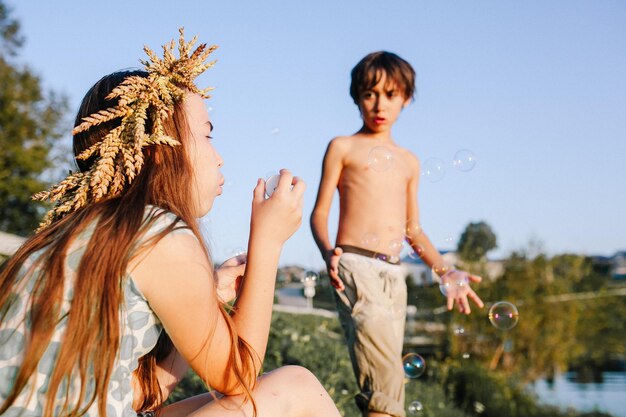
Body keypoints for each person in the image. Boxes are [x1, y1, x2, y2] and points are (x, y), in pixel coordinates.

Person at [0, 29, 342, 417]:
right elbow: (239, 375)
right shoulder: (156, 232)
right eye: (208, 134)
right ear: (162, 150)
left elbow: (139, 397)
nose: (219, 158)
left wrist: (209, 296)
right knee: (295, 388)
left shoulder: (76, 234)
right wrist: (267, 243)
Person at [310, 51, 484, 417]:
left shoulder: (409, 161)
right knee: (384, 385)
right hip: (355, 266)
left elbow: (412, 229)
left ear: (406, 98)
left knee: (388, 383)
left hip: (394, 275)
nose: (379, 104)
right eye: (370, 94)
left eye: (390, 94)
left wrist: (444, 270)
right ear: (357, 96)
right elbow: (320, 213)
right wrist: (328, 253)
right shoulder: (343, 147)